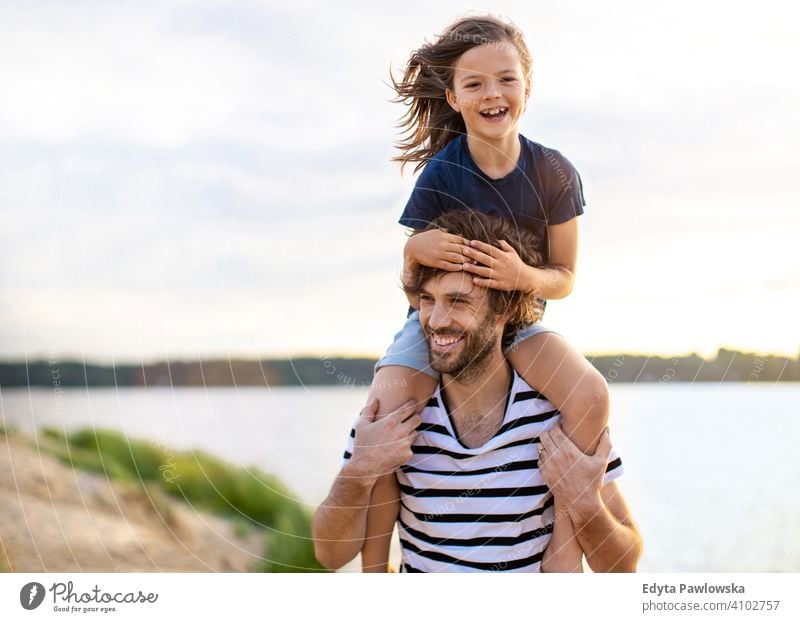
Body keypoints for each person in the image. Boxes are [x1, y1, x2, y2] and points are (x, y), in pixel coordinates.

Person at [360, 13, 613, 569]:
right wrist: (413, 253)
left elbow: (564, 277)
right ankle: (375, 574)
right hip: (448, 319)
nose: (492, 93)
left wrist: (523, 277)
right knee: (380, 415)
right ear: (452, 97)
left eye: (506, 79)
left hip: (520, 321)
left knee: (591, 395)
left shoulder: (555, 172)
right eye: (474, 83)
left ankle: (562, 553)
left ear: (528, 86)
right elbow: (416, 280)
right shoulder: (441, 176)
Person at [312, 210, 642, 572]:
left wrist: (585, 503)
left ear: (503, 311)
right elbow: (330, 555)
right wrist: (359, 471)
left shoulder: (557, 415)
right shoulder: (394, 418)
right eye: (427, 300)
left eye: (458, 301)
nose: (436, 320)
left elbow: (622, 564)